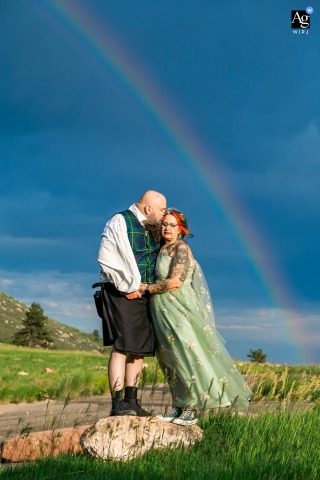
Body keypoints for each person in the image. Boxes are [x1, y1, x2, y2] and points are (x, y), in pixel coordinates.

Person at [139, 209, 252, 425]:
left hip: (179, 309)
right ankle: (179, 406)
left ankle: (193, 408)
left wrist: (145, 288)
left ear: (181, 228)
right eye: (164, 224)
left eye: (172, 225)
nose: (167, 228)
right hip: (162, 311)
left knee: (186, 356)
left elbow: (175, 282)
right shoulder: (163, 248)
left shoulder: (180, 249)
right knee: (169, 360)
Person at [98, 190, 167, 416]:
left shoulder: (154, 227)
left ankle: (132, 401)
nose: (164, 214)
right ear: (148, 208)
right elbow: (107, 258)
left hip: (145, 295)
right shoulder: (120, 221)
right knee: (121, 347)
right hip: (121, 293)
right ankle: (117, 404)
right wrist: (126, 288)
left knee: (138, 349)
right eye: (162, 209)